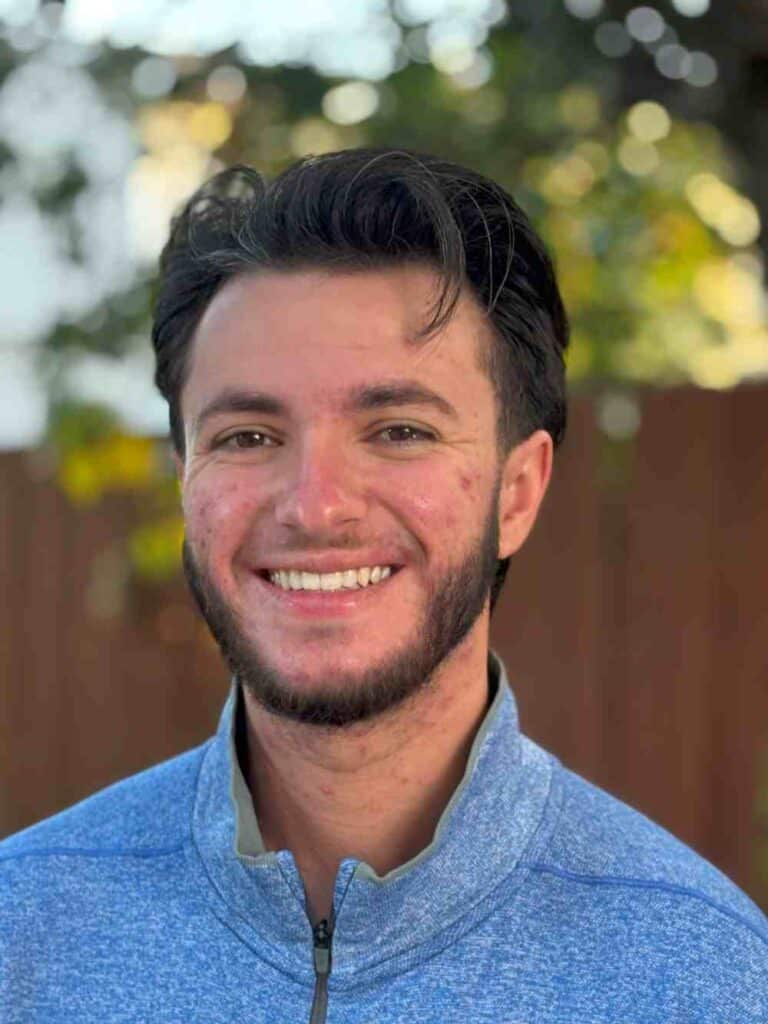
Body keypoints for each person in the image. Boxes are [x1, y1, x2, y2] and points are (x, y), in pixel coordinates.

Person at [1, 148, 766, 1023]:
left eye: (399, 430)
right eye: (247, 437)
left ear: (518, 493)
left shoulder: (701, 976)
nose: (315, 507)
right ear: (186, 481)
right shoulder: (21, 936)